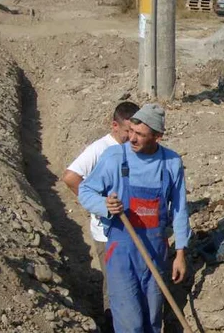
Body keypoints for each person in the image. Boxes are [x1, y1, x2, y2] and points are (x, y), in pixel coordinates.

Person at [78, 103, 191, 332]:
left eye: (140, 134)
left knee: (151, 321)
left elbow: (179, 209)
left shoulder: (171, 163)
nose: (133, 138)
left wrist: (180, 253)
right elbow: (85, 191)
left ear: (157, 136)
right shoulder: (114, 158)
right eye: (131, 131)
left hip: (155, 252)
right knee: (130, 323)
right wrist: (104, 205)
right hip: (121, 252)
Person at [62, 101, 140, 326]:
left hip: (132, 231)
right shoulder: (99, 149)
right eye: (127, 131)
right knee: (114, 285)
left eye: (135, 131)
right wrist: (97, 204)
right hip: (106, 234)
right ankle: (111, 324)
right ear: (115, 125)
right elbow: (70, 177)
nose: (131, 136)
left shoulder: (133, 149)